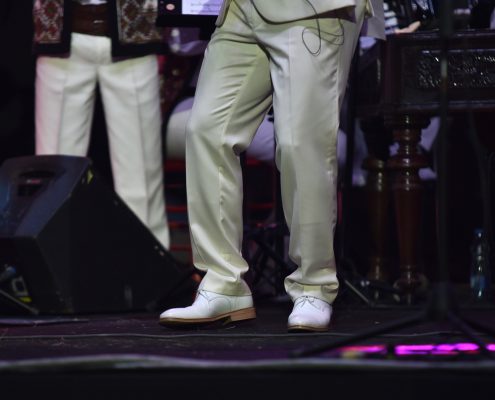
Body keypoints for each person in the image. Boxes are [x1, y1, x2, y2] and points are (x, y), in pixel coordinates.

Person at [159, 0, 385, 332]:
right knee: (207, 131)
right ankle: (222, 283)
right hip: (241, 9)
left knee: (300, 144)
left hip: (313, 9)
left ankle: (313, 285)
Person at [32, 0, 170, 249]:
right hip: (60, 31)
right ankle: (52, 262)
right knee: (54, 171)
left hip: (134, 33)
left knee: (140, 174)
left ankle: (147, 264)